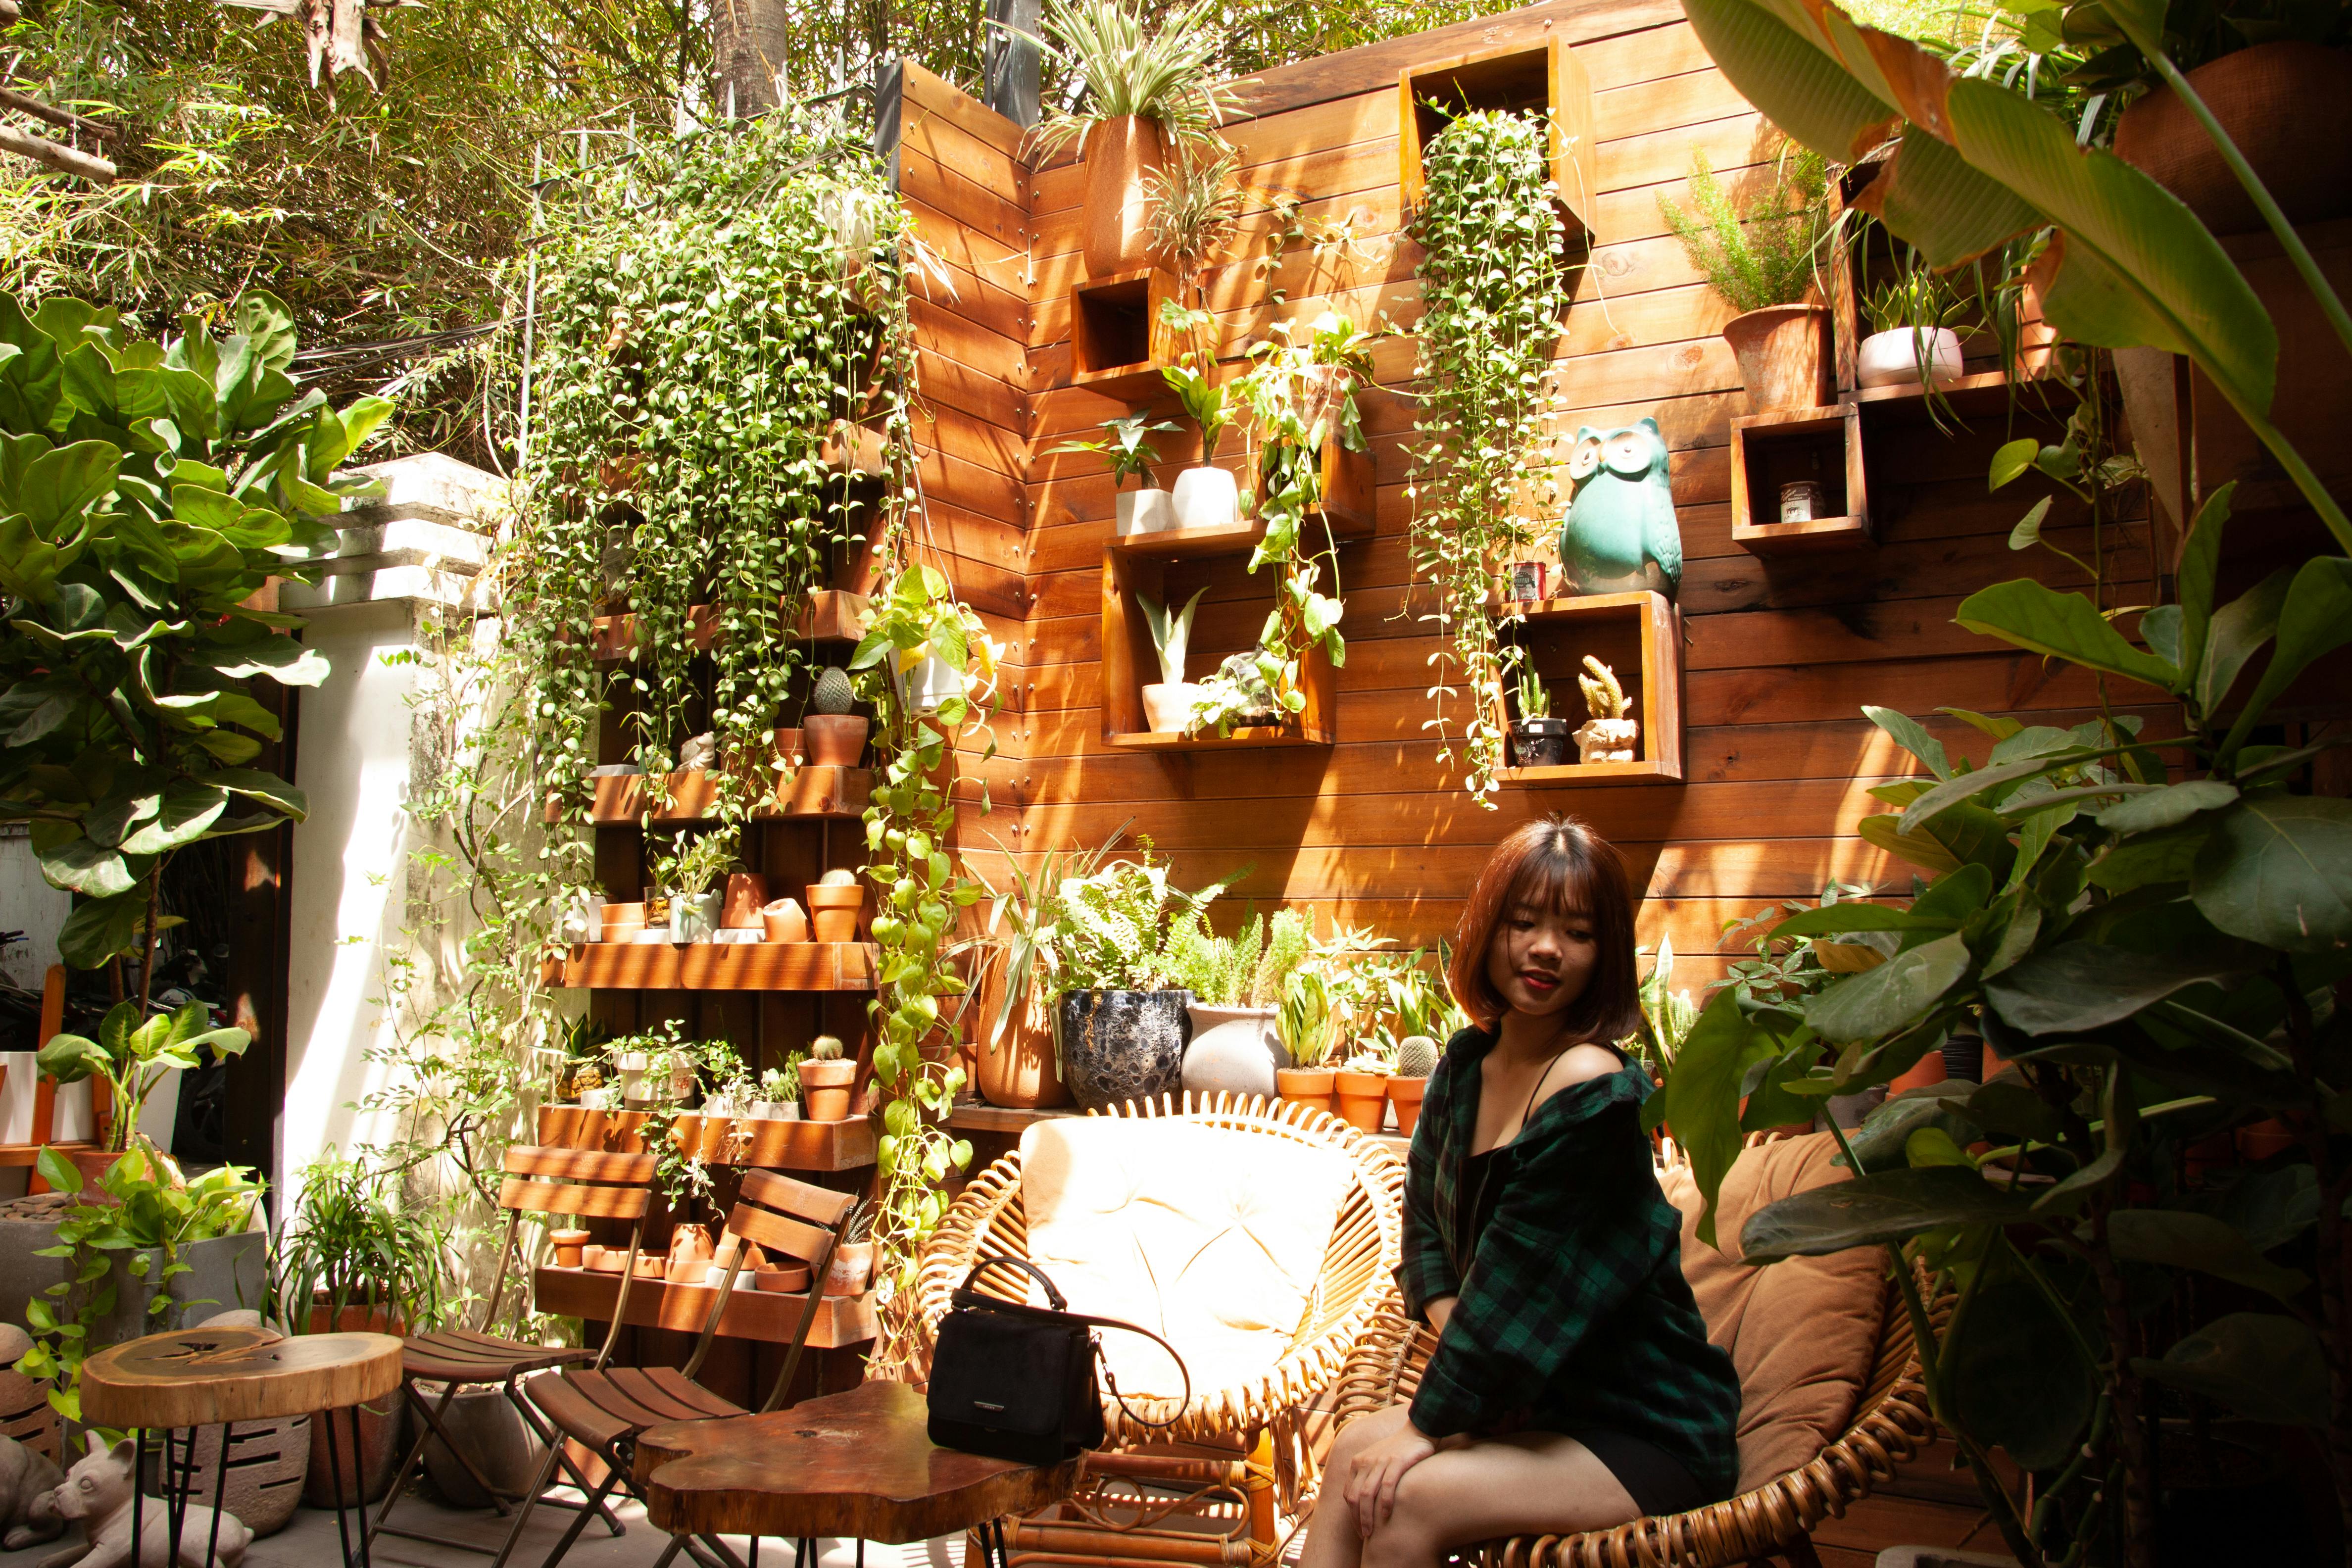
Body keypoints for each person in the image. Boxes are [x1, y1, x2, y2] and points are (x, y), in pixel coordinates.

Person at [1303, 815, 1740, 1568]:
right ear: (1490, 932)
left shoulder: (1593, 1090)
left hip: (1638, 1423)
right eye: (1524, 922)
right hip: (1528, 1402)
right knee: (1349, 1457)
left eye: (1577, 932)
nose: (1546, 948)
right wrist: (1451, 1363)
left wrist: (1427, 1427)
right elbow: (1425, 1239)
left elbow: (1520, 1285)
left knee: (1406, 1501)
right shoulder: (1464, 1067)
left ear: (1603, 956)